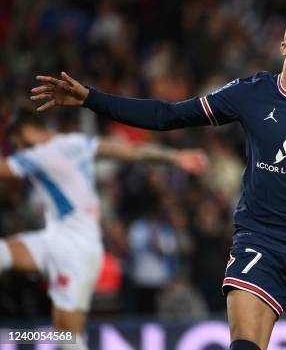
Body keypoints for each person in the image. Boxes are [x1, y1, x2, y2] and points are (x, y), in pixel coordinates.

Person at [30, 11, 286, 350]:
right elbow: (169, 116)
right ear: (284, 47)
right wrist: (91, 98)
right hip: (262, 241)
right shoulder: (251, 93)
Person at [0, 106, 207, 350]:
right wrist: (174, 157)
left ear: (28, 131)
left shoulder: (41, 154)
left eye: (18, 142)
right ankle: (9, 338)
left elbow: (4, 170)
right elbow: (130, 152)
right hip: (57, 238)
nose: (19, 149)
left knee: (67, 337)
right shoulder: (77, 143)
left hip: (76, 251)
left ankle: (11, 338)